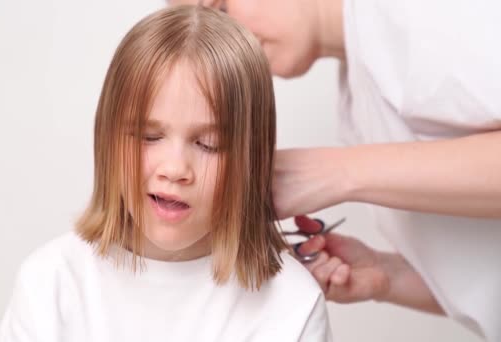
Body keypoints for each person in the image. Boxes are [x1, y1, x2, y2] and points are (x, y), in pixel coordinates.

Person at [166, 0, 501, 341]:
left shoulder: (414, 14)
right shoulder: (359, 97)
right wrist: (387, 275)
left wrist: (335, 172)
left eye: (221, 10)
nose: (225, 42)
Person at [0, 5, 332, 342]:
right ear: (106, 138)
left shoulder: (291, 304)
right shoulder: (50, 283)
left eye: (208, 144)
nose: (175, 170)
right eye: (149, 137)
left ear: (252, 157)